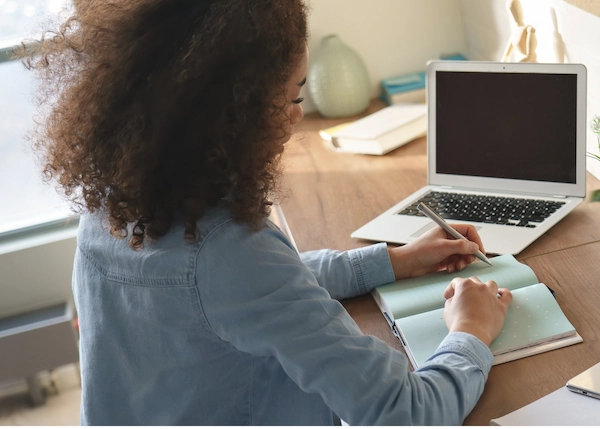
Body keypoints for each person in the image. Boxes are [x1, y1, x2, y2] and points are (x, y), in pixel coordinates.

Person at [25, 0, 512, 425]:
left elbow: (248, 293)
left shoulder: (115, 201)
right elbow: (405, 413)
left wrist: (393, 261)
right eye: (293, 96)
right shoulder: (229, 249)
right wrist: (471, 329)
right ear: (233, 113)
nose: (297, 115)